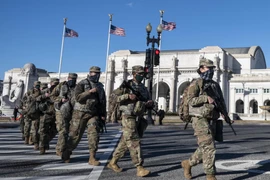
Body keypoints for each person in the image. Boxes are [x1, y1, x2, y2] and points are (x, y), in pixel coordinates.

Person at [181, 58, 232, 180]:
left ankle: (188, 163)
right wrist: (205, 98)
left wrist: (225, 114)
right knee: (209, 146)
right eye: (209, 68)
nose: (211, 71)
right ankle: (210, 175)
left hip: (212, 118)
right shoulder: (196, 83)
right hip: (199, 118)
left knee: (204, 146)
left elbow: (220, 101)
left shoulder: (215, 85)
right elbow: (190, 101)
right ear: (201, 68)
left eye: (212, 68)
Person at [107, 65, 153, 177]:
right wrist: (127, 96)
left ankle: (113, 162)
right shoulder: (126, 86)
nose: (141, 76)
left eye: (143, 74)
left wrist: (149, 104)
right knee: (134, 141)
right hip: (128, 116)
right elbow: (113, 98)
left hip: (139, 117)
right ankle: (139, 167)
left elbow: (147, 100)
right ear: (134, 74)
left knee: (125, 142)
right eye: (139, 74)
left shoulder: (143, 87)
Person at [61, 66, 106, 165]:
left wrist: (103, 114)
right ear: (90, 73)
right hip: (80, 113)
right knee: (75, 135)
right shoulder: (82, 84)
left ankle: (92, 157)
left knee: (94, 134)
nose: (97, 75)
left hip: (93, 113)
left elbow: (103, 101)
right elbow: (77, 97)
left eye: (98, 73)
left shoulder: (100, 86)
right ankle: (66, 152)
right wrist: (89, 92)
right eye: (95, 73)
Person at [51, 73, 77, 156]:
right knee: (63, 131)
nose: (71, 80)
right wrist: (60, 99)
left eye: (73, 79)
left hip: (71, 111)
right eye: (70, 78)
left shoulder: (77, 88)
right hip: (60, 110)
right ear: (67, 78)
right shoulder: (61, 86)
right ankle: (60, 149)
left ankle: (64, 148)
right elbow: (52, 96)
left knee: (70, 131)